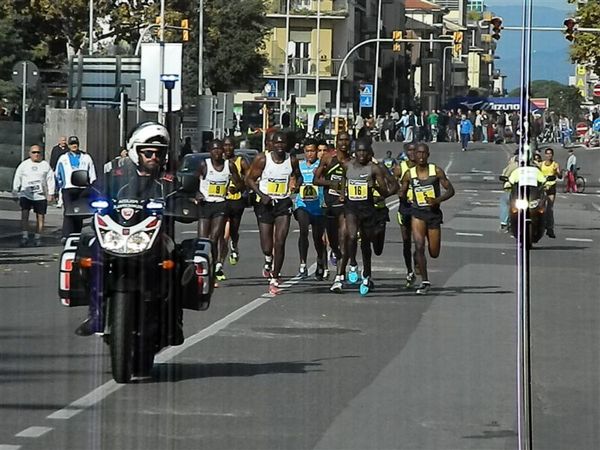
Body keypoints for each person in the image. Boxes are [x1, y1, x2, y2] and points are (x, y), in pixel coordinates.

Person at [75, 121, 179, 336]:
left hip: (158, 236)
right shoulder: (115, 175)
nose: (153, 157)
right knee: (87, 248)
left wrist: (186, 202)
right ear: (135, 152)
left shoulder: (168, 181)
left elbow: (184, 198)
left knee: (177, 264)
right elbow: (92, 192)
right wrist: (85, 200)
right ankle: (95, 313)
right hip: (118, 233)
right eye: (148, 152)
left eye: (158, 153)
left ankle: (172, 320)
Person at [330, 138, 398, 294]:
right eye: (359, 151)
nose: (361, 154)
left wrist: (377, 192)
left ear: (369, 153)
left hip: (367, 208)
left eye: (364, 151)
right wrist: (342, 194)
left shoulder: (374, 169)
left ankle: (367, 275)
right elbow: (342, 181)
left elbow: (385, 190)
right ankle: (353, 264)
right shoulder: (347, 166)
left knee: (366, 245)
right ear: (355, 152)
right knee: (351, 236)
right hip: (351, 207)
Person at [245, 131, 303, 294]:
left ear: (287, 145)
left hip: (283, 203)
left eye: (283, 143)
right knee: (267, 245)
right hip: (266, 204)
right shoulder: (263, 159)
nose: (279, 146)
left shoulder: (291, 160)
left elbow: (299, 177)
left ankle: (275, 278)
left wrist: (296, 185)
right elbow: (249, 179)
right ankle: (268, 260)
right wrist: (262, 195)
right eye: (277, 143)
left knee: (280, 241)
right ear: (272, 144)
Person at [399, 143, 455, 295]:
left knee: (434, 252)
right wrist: (404, 197)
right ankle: (425, 281)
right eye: (418, 153)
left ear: (428, 155)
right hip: (417, 213)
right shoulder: (409, 174)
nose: (421, 156)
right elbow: (402, 191)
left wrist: (437, 200)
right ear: (414, 155)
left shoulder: (435, 171)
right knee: (419, 246)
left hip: (433, 214)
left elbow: (450, 190)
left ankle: (420, 259)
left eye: (424, 154)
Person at [196, 139, 244, 283]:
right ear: (209, 151)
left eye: (219, 149)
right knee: (203, 239)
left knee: (215, 238)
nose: (217, 152)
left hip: (221, 204)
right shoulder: (204, 165)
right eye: (214, 149)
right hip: (206, 204)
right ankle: (201, 266)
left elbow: (240, 183)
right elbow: (193, 183)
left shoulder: (229, 165)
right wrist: (197, 194)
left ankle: (214, 268)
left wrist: (235, 188)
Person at [314, 131, 352, 278]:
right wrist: (332, 183)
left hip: (345, 206)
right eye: (341, 140)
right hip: (329, 205)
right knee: (333, 241)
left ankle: (339, 276)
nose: (344, 143)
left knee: (344, 237)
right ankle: (335, 252)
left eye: (346, 140)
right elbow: (315, 180)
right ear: (336, 142)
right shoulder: (328, 159)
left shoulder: (353, 162)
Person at [294, 139, 327, 280]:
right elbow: (293, 180)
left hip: (318, 206)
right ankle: (302, 264)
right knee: (303, 230)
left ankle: (320, 260)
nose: (310, 154)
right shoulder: (299, 166)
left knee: (318, 238)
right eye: (307, 151)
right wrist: (293, 186)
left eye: (312, 151)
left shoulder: (321, 166)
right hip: (302, 205)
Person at [55, 136, 97, 242]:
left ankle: (77, 234)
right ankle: (66, 235)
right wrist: (59, 187)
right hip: (68, 189)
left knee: (79, 212)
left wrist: (91, 186)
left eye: (76, 144)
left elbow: (92, 173)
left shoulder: (86, 157)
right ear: (68, 146)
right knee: (68, 211)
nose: (74, 146)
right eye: (72, 144)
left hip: (82, 189)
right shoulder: (63, 158)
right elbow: (57, 174)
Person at [12, 145, 55, 247]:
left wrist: (51, 193)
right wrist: (15, 191)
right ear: (30, 153)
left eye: (38, 152)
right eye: (34, 152)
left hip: (40, 195)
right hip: (26, 194)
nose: (36, 154)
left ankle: (38, 237)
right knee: (25, 215)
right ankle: (24, 236)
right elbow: (17, 177)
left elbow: (50, 179)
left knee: (40, 217)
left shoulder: (45, 165)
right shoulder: (24, 165)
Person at [219, 136, 249, 269]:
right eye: (225, 145)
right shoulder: (217, 162)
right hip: (221, 202)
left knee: (233, 231)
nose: (227, 148)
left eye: (230, 145)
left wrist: (236, 187)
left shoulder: (240, 162)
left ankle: (234, 244)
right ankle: (219, 263)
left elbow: (249, 180)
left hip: (236, 201)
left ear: (234, 146)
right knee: (223, 234)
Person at [393, 143, 417, 286]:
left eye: (415, 150)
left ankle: (417, 257)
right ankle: (409, 270)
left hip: (419, 207)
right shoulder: (400, 167)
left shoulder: (424, 168)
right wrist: (400, 192)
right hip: (405, 207)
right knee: (406, 241)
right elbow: (393, 183)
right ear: (406, 152)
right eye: (410, 151)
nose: (413, 153)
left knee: (419, 241)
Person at [539, 147, 562, 238]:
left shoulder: (555, 164)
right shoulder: (541, 164)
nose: (549, 155)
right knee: (539, 205)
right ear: (545, 155)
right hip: (542, 187)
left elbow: (559, 176)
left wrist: (557, 172)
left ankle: (550, 228)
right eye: (547, 154)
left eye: (550, 154)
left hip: (551, 187)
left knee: (550, 208)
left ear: (552, 155)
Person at [499, 151, 519, 232]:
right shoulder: (534, 165)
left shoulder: (514, 165)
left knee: (505, 202)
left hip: (516, 191)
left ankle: (504, 222)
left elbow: (504, 174)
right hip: (525, 191)